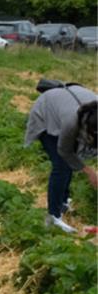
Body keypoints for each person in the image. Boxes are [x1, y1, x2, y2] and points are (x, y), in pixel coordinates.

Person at [24, 83, 97, 231]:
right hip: (46, 112)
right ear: (89, 129)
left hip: (65, 103)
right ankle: (53, 217)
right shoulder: (72, 123)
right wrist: (90, 172)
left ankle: (63, 202)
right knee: (62, 164)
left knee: (70, 161)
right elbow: (65, 151)